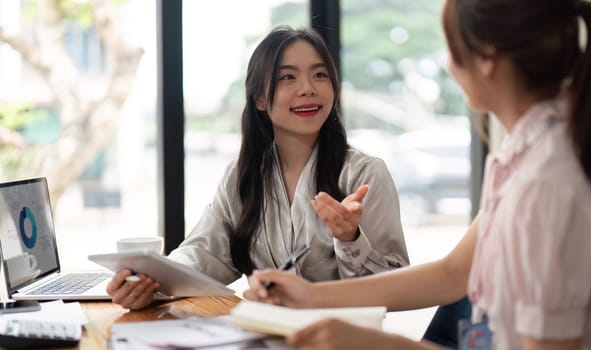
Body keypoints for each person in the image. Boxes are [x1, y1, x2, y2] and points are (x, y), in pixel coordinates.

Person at [244, 1, 591, 349]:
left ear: (487, 57)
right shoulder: (522, 155)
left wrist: (382, 344)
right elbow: (454, 273)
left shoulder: (546, 184)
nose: (449, 65)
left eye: (452, 49)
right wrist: (312, 295)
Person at [107, 26, 409, 310]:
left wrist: (350, 239)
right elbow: (204, 252)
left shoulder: (364, 174)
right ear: (260, 98)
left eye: (319, 75)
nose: (307, 88)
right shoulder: (242, 175)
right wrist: (150, 283)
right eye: (287, 78)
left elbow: (394, 288)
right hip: (264, 333)